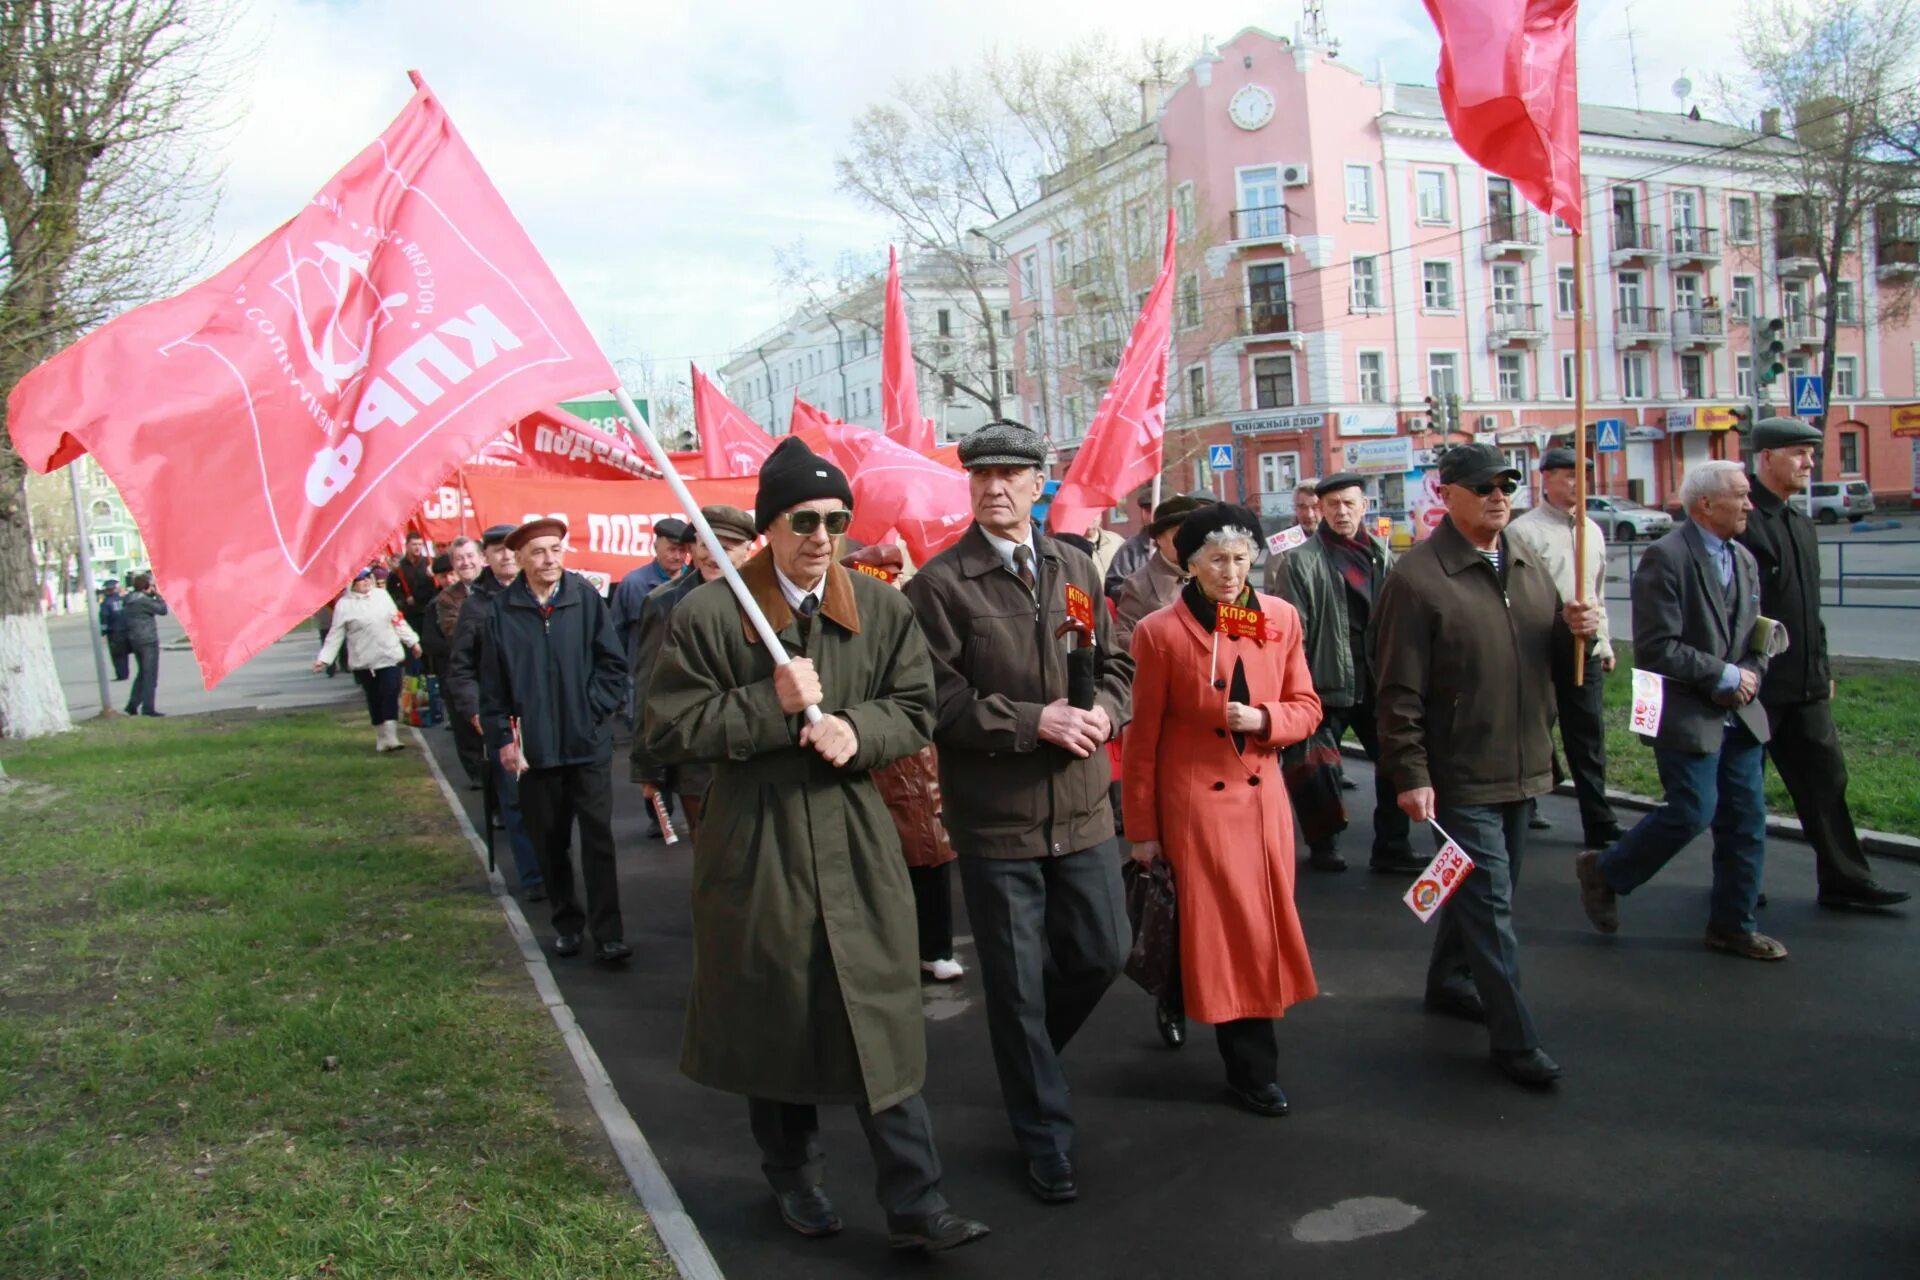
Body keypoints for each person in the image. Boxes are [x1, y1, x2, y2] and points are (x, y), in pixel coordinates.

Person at [643, 437, 989, 1253]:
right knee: (776, 1013)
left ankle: (917, 1199)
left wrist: (855, 730)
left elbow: (914, 707)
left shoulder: (881, 608)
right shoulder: (706, 615)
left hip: (855, 833)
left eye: (837, 518)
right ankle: (793, 1178)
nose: (824, 534)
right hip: (754, 840)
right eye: (806, 518)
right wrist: (770, 704)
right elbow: (667, 727)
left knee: (880, 1011)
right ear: (770, 525)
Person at [904, 420, 1133, 1205]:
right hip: (997, 822)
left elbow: (1116, 663)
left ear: (1039, 483)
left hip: (1083, 809)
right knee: (1016, 990)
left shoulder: (1076, 567)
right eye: (981, 475)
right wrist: (1033, 720)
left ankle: (1028, 1062)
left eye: (1011, 474)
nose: (994, 487)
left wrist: (1105, 708)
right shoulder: (938, 585)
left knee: (1104, 951)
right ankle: (1044, 1137)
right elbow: (936, 699)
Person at [1373, 444, 1602, 1089]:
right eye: (1483, 487)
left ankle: (1449, 980)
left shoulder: (1528, 563)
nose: (1499, 495)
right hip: (1460, 774)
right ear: (1447, 495)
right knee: (1492, 908)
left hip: (1524, 764)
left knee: (1479, 896)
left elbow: (1553, 662)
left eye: (1506, 484)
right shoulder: (1418, 579)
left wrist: (1573, 633)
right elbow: (1397, 692)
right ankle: (1516, 1038)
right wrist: (1410, 773)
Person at [1123, 503, 1323, 1116]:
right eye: (1216, 559)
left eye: (1241, 558)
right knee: (1227, 933)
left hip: (1264, 807)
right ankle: (1251, 1068)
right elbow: (1143, 741)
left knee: (1249, 930)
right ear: (1191, 565)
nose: (1231, 571)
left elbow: (1308, 705)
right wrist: (1142, 833)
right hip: (1198, 812)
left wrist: (1265, 719)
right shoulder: (1158, 632)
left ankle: (1187, 996)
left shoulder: (1282, 618)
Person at [1575, 462, 1788, 961]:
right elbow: (1656, 647)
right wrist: (1724, 676)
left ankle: (1733, 925)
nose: (1750, 504)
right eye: (1741, 495)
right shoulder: (1665, 558)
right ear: (1706, 505)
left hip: (1741, 712)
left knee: (1746, 821)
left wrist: (1751, 672)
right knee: (1692, 810)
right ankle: (1605, 871)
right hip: (1686, 712)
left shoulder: (1744, 558)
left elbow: (1756, 632)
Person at [1737, 418, 1909, 911]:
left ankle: (1844, 879)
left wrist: (1823, 668)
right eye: (1797, 453)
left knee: (1828, 779)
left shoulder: (1799, 523)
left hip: (1806, 683)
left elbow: (1807, 609)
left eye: (1812, 454)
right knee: (1742, 789)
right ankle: (1739, 881)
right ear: (1765, 457)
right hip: (1757, 685)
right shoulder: (1745, 520)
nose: (1810, 463)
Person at [479, 518, 630, 963]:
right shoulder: (501, 611)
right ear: (521, 559)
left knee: (599, 840)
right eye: (540, 552)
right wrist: (504, 738)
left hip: (588, 746)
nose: (550, 560)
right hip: (536, 752)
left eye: (556, 550)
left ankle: (609, 933)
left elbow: (613, 666)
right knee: (550, 842)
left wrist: (591, 711)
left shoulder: (585, 599)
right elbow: (493, 687)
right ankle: (567, 924)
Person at [1273, 473, 1420, 875]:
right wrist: (1296, 689)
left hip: (1376, 680)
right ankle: (1324, 845)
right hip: (1325, 681)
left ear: (1364, 507)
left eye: (1349, 504)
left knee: (1394, 763)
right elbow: (1292, 632)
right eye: (1333, 504)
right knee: (1317, 770)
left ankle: (1392, 846)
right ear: (1319, 510)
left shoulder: (1381, 556)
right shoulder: (1302, 562)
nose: (1341, 512)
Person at [1507, 447, 1625, 849]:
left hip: (1583, 646)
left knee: (1588, 735)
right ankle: (1527, 799)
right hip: (1538, 647)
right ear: (1547, 479)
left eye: (1584, 476)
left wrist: (1603, 641)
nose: (1578, 483)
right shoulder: (1523, 532)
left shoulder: (1591, 529)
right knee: (1533, 730)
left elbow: (1597, 590)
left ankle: (1599, 820)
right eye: (1569, 475)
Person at [627, 504, 758, 840]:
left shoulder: (769, 599)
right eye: (705, 545)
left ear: (749, 550)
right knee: (711, 858)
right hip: (697, 758)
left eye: (726, 547)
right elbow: (648, 687)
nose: (713, 556)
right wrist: (648, 766)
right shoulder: (663, 603)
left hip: (760, 750)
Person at [445, 525, 545, 902]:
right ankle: (534, 877)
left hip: (546, 715)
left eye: (510, 549)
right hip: (503, 720)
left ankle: (555, 865)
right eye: (496, 550)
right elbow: (462, 668)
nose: (505, 556)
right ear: (485, 556)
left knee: (552, 804)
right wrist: (475, 713)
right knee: (516, 802)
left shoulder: (540, 591)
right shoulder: (478, 605)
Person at [313, 566, 423, 751]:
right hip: (364, 659)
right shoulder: (344, 605)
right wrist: (324, 659)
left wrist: (413, 641)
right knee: (374, 696)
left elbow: (397, 620)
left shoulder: (382, 596)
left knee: (390, 692)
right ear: (352, 583)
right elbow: (336, 634)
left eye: (367, 578)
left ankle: (391, 736)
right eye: (360, 580)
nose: (365, 582)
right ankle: (381, 736)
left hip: (388, 655)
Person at [1112, 493, 1211, 653]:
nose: (1186, 541)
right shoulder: (1139, 584)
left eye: (1193, 534)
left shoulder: (1214, 573)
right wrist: (1161, 650)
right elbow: (1122, 636)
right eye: (1177, 535)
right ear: (1159, 538)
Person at [434, 537, 487, 789]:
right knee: (471, 735)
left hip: (502, 675)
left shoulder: (501, 588)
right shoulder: (447, 598)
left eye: (470, 556)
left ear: (482, 558)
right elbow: (456, 634)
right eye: (459, 559)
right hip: (469, 673)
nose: (466, 563)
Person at [611, 517, 694, 659]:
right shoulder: (633, 583)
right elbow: (616, 633)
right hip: (642, 672)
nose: (677, 556)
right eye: (672, 550)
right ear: (656, 547)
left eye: (682, 551)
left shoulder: (695, 582)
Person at [387, 530, 439, 664]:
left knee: (429, 646)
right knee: (413, 649)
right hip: (409, 613)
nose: (417, 547)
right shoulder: (400, 568)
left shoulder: (429, 563)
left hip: (428, 611)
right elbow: (392, 593)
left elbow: (437, 587)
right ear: (407, 545)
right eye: (414, 544)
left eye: (420, 544)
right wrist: (403, 602)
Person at [121, 573, 169, 717]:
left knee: (142, 674)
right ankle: (148, 707)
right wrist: (158, 595)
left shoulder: (129, 599)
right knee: (150, 675)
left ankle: (132, 704)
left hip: (134, 640)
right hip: (148, 640)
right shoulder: (144, 601)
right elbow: (162, 610)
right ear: (147, 586)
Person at [1260, 481, 1321, 595]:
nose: (1309, 514)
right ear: (1295, 508)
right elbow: (1271, 588)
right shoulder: (1282, 543)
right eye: (1302, 507)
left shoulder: (1335, 539)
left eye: (1315, 507)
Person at [1102, 489, 1159, 598]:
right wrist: (1138, 590)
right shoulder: (1130, 549)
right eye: (1148, 511)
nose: (1152, 517)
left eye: (1157, 510)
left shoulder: (1183, 545)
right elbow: (1112, 587)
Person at [98, 579, 130, 681]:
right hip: (126, 630)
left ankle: (121, 674)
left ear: (108, 590)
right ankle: (125, 672)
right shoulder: (123, 599)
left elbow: (104, 618)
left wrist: (103, 632)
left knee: (116, 654)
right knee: (124, 653)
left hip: (114, 632)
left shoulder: (106, 603)